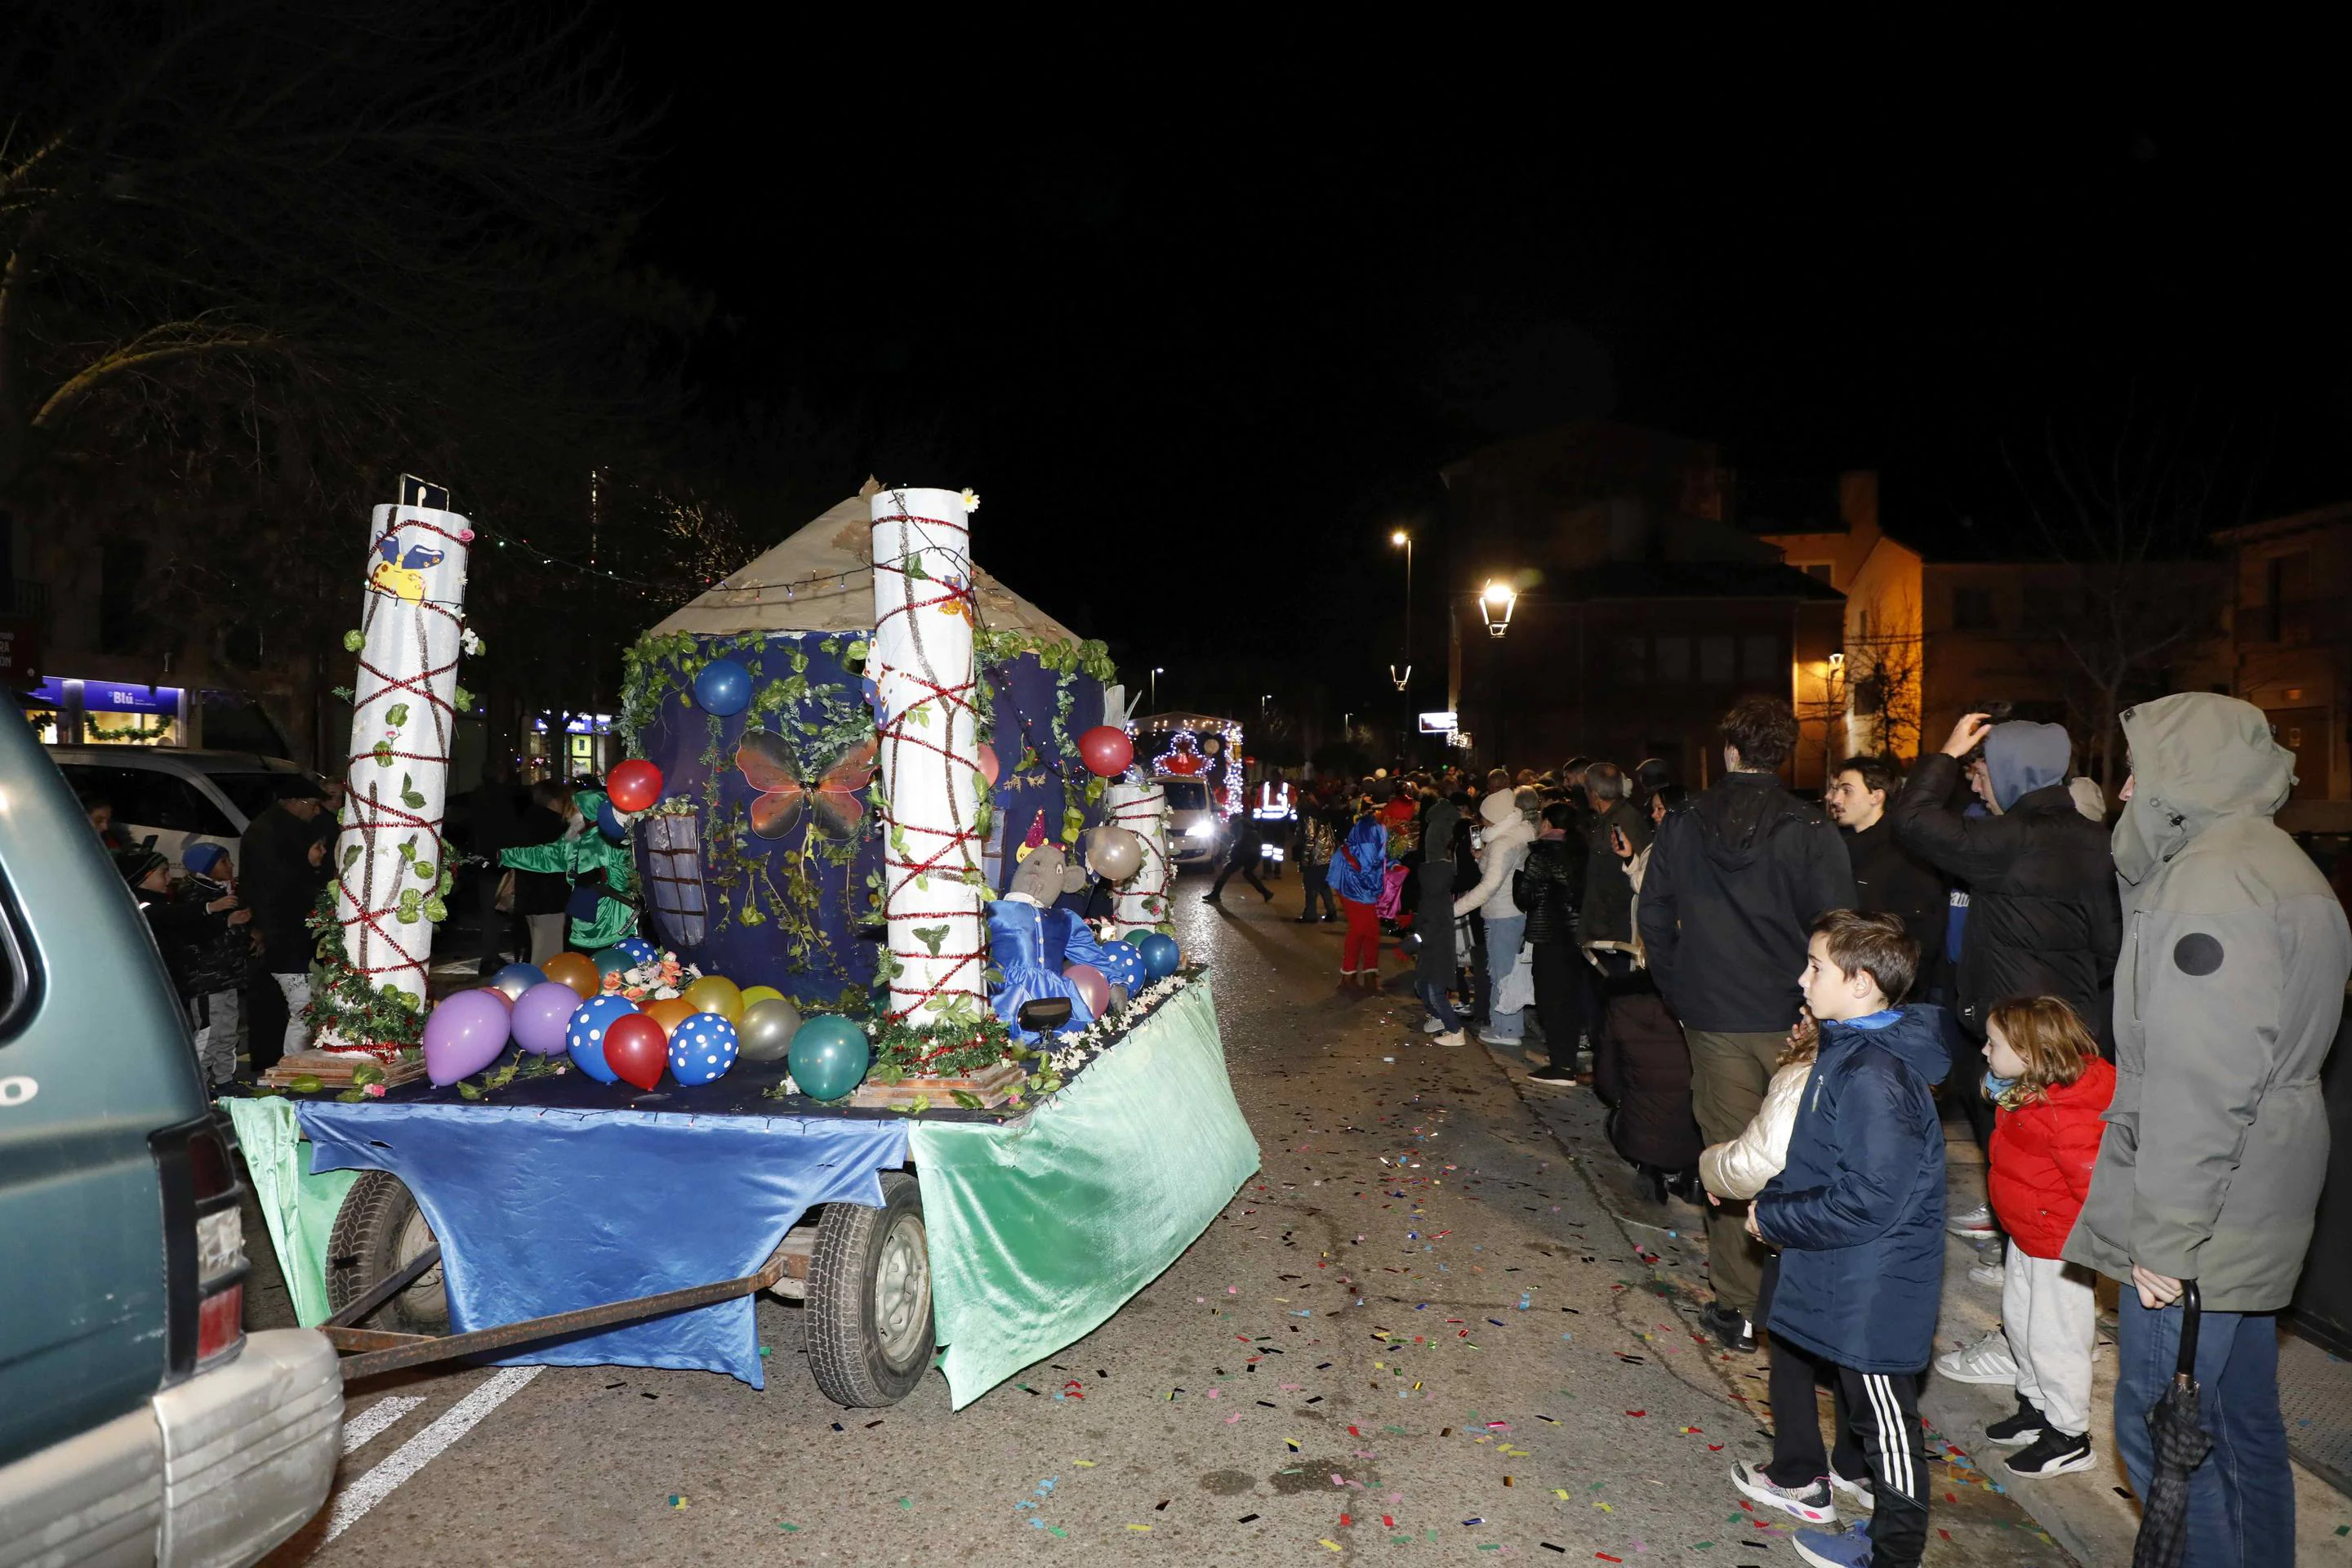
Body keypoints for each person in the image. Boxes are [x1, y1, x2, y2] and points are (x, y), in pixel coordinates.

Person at [2063, 693, 2350, 1565]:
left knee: (2165, 1431)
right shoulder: (2274, 861)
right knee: (2237, 1421)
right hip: (2261, 1184)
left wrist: (2169, 1237)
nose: (2123, 795)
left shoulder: (2211, 882)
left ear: (2184, 777)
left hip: (2210, 1202)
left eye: (2139, 772)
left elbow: (2202, 1075)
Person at [1639, 697, 1855, 1352]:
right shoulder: (1812, 828)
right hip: (1797, 1013)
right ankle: (1800, 1300)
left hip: (1715, 1011)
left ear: (1730, 750)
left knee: (1733, 1155)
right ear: (1780, 755)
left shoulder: (1682, 822)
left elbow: (1654, 914)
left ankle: (1737, 1306)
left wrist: (1680, 989)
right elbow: (1842, 927)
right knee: (1807, 1154)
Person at [1892, 713, 2119, 1298]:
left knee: (2032, 1171)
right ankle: (2026, 1273)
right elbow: (2109, 945)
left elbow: (1913, 820)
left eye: (1982, 770)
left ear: (2014, 772)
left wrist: (1944, 752)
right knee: (2053, 1175)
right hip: (2070, 1034)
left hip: (2018, 1041)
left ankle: (2036, 1319)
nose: (1974, 784)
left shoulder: (2012, 838)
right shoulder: (2098, 840)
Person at [1751, 911, 1944, 1568]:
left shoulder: (1872, 1075)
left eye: (1816, 967)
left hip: (1878, 1283)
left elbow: (1868, 1197)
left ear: (1861, 984)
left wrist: (1770, 1218)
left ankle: (1894, 1556)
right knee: (1871, 1419)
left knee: (1888, 1431)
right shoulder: (1849, 1051)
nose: (1801, 977)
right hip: (1854, 1273)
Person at [1708, 1010, 1873, 1526]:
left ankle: (1799, 1473)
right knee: (1850, 1357)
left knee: (1789, 1352)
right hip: (1859, 1243)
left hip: (1803, 1230)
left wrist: (1712, 1168)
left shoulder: (1809, 1071)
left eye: (1813, 980)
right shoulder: (1887, 1063)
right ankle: (1856, 1463)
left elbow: (1762, 1157)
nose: (1799, 1013)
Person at [1960, 996, 2114, 1481]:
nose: (1985, 1051)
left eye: (1994, 1043)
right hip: (2027, 1234)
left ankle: (2070, 1433)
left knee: (2057, 1338)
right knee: (2020, 1324)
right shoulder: (2025, 1091)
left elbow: (2092, 1185)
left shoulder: (2066, 1111)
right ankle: (2036, 1405)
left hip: (2059, 1245)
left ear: (2031, 1054)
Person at [1594, 786, 1703, 1196]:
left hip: (1670, 954)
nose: (1655, 815)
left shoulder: (1689, 849)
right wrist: (1630, 861)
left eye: (1661, 808)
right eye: (1654, 808)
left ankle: (1656, 1155)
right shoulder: (1665, 845)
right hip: (1659, 955)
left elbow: (1663, 895)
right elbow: (1649, 888)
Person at [239, 791, 336, 1073]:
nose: (316, 812)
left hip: (286, 942)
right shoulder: (273, 838)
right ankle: (292, 1068)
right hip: (283, 943)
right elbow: (276, 894)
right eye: (313, 805)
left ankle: (285, 1065)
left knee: (300, 1010)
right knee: (302, 1010)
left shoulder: (280, 835)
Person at [1823, 755, 1945, 964]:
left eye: (1847, 790)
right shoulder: (1834, 844)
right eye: (1836, 790)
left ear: (1876, 796)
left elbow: (1917, 931)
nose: (1835, 799)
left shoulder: (1904, 852)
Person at [1454, 787, 1536, 1045]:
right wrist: (1481, 857)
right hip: (1511, 912)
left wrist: (1453, 911)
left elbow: (1489, 886)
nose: (1482, 823)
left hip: (1503, 914)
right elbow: (1497, 873)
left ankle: (1508, 1030)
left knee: (1503, 972)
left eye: (1485, 817)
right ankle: (1502, 1025)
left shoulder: (1502, 843)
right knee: (1503, 970)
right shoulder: (1516, 834)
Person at [1516, 802, 1586, 1080]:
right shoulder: (1581, 852)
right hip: (1577, 937)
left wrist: (1520, 878)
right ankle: (1566, 1059)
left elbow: (1525, 899)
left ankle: (1561, 1066)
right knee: (1570, 1000)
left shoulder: (1541, 854)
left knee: (1550, 1002)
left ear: (1546, 824)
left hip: (1550, 936)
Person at [178, 844, 253, 1085]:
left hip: (228, 974)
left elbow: (231, 933)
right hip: (207, 979)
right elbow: (192, 933)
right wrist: (226, 921)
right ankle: (196, 1084)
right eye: (223, 861)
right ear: (206, 867)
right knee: (208, 1032)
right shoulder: (195, 895)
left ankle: (224, 1079)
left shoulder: (225, 891)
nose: (230, 866)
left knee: (228, 1033)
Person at [1413, 791, 1466, 1044]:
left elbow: (1432, 920)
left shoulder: (1436, 882)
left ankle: (1454, 1029)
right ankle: (1440, 1018)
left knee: (1434, 989)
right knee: (1424, 986)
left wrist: (1412, 940)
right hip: (1432, 943)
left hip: (1436, 946)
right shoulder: (1447, 826)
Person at [1325, 797, 1389, 987]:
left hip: (1356, 880)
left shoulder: (1374, 828)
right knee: (1361, 928)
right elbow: (1368, 866)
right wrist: (1379, 886)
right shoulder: (1371, 832)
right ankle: (1349, 975)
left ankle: (1366, 973)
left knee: (1371, 930)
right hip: (1353, 882)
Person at [511, 782, 576, 964]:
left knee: (537, 949)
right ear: (556, 801)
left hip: (528, 895)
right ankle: (544, 991)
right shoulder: (556, 827)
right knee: (548, 956)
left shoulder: (525, 821)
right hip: (550, 898)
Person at [1205, 809, 1272, 903]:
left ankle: (1215, 894)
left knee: (1227, 871)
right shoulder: (1249, 826)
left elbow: (1238, 839)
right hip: (1255, 853)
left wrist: (1231, 853)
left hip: (1243, 852)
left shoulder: (1236, 824)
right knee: (1248, 873)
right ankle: (1266, 893)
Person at [1294, 796, 1339, 923]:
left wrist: (1305, 858)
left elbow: (1309, 838)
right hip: (1326, 854)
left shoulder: (1308, 817)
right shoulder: (1321, 815)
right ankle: (1331, 912)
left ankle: (1311, 915)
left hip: (1316, 856)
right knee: (1323, 885)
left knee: (1310, 886)